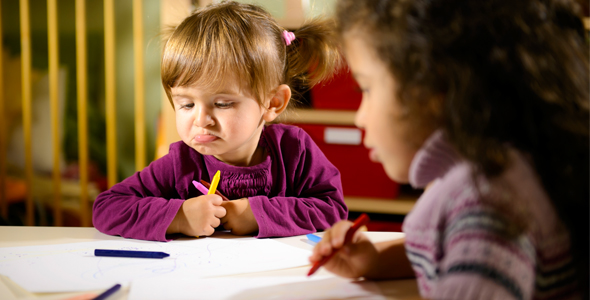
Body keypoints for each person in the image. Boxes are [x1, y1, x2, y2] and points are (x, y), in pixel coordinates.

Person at [309, 0, 589, 299]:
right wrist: (377, 261)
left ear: (433, 89)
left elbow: (481, 253)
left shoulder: (483, 199)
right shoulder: (501, 173)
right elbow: (460, 252)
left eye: (365, 89)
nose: (359, 117)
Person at [93, 1, 347, 242]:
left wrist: (258, 214)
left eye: (222, 104)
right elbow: (106, 208)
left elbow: (333, 209)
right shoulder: (180, 163)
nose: (201, 120)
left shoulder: (294, 150)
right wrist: (179, 216)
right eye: (187, 104)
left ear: (273, 103)